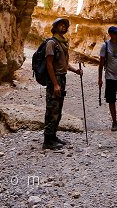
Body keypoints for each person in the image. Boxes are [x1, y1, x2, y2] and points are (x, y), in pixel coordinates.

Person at [43, 17, 83, 150]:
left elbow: (64, 64)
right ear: (55, 27)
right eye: (61, 25)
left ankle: (53, 136)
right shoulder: (51, 43)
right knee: (52, 108)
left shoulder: (63, 43)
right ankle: (47, 140)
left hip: (62, 78)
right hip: (54, 78)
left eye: (65, 25)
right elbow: (49, 64)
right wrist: (55, 84)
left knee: (58, 109)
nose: (64, 27)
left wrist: (75, 71)